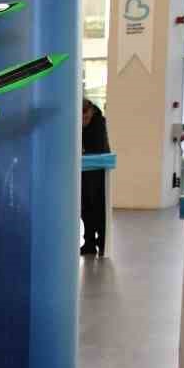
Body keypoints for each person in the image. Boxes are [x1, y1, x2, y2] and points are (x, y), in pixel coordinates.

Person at [81, 97, 111, 256]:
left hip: (97, 172)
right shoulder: (79, 124)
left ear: (91, 111)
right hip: (84, 172)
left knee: (98, 208)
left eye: (85, 117)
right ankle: (89, 243)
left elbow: (99, 148)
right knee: (85, 208)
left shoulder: (99, 123)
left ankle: (103, 242)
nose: (83, 121)